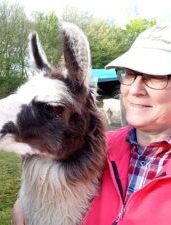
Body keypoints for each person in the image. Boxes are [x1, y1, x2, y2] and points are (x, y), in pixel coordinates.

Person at [12, 23, 171, 225]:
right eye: (129, 74)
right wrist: (24, 206)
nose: (135, 89)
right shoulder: (96, 147)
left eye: (154, 77)